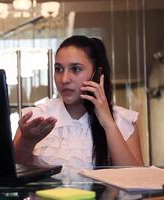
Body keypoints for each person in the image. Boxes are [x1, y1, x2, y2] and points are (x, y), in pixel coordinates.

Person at [13, 35, 143, 178]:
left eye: (75, 69)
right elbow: (11, 175)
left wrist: (108, 124)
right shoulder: (36, 117)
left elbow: (136, 180)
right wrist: (27, 141)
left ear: (97, 74)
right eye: (58, 69)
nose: (64, 79)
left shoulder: (121, 120)